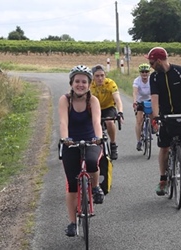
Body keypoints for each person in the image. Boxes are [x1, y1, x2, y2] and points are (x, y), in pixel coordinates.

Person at [146, 47, 181, 196]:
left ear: (158, 61)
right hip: (165, 115)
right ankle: (163, 180)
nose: (150, 66)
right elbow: (155, 98)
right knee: (164, 148)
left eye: (151, 63)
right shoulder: (154, 77)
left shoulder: (180, 72)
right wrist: (156, 117)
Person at [58, 65, 104, 237]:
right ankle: (72, 222)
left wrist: (98, 138)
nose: (80, 84)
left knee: (92, 162)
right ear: (71, 83)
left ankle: (96, 186)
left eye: (84, 82)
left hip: (91, 140)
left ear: (89, 84)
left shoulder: (93, 101)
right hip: (70, 143)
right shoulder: (65, 100)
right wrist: (65, 139)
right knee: (72, 185)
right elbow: (63, 122)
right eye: (77, 81)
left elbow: (96, 122)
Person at [90, 64, 124, 160]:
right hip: (95, 108)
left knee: (109, 122)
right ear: (92, 77)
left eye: (102, 75)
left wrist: (120, 112)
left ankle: (113, 144)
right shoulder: (89, 84)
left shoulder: (110, 83)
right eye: (97, 76)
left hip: (108, 107)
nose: (100, 78)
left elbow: (117, 99)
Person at [132, 63, 152, 151]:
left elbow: (156, 92)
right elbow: (135, 92)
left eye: (146, 72)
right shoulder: (137, 81)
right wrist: (135, 102)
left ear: (149, 72)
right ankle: (139, 141)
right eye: (142, 72)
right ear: (140, 73)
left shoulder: (151, 80)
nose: (144, 74)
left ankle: (152, 128)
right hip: (140, 101)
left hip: (150, 100)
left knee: (154, 117)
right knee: (139, 121)